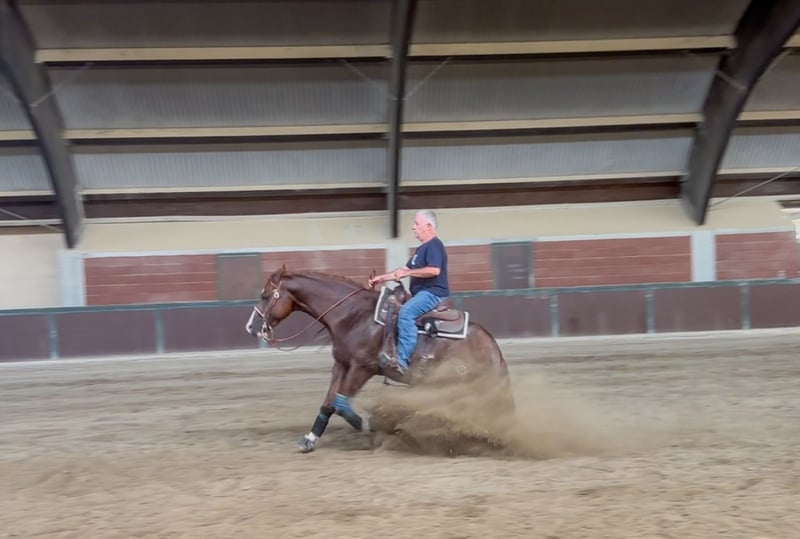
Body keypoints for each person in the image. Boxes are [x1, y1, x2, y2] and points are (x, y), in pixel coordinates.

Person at [368, 210, 449, 375]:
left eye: (416, 224)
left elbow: (434, 270)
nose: (413, 227)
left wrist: (408, 273)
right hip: (421, 294)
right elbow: (402, 270)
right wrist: (381, 278)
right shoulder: (420, 250)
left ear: (428, 227)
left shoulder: (434, 245)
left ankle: (402, 361)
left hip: (432, 293)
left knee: (406, 313)